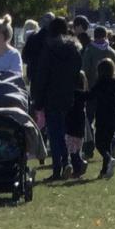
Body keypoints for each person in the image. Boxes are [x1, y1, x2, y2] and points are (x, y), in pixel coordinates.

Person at [33, 16, 85, 180]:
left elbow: (42, 76)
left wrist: (38, 98)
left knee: (55, 134)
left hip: (51, 96)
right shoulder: (74, 50)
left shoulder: (49, 50)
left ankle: (59, 166)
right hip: (69, 95)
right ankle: (73, 160)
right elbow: (78, 72)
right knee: (68, 132)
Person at [90, 56, 115, 178]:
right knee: (107, 143)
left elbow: (90, 95)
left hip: (102, 117)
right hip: (113, 117)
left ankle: (108, 158)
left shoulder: (100, 83)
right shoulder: (114, 83)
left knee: (98, 143)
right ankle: (104, 171)